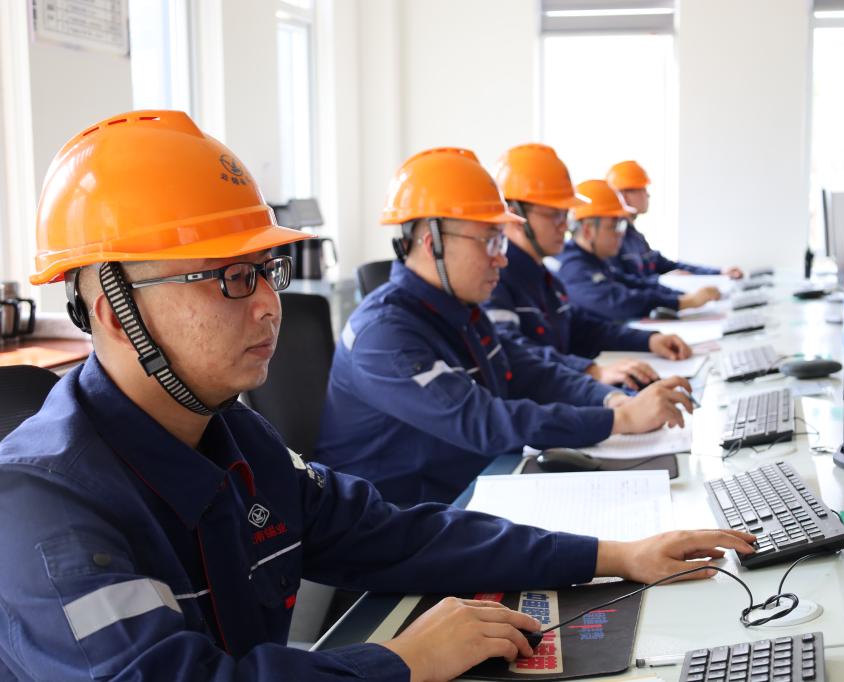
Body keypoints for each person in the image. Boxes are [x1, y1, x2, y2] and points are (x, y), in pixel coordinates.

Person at [0, 111, 755, 682]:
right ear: (112, 307)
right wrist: (400, 662)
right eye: (229, 277)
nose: (267, 306)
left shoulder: (238, 442)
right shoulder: (41, 506)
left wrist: (615, 555)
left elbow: (402, 535)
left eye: (267, 270)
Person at [314, 148, 695, 507]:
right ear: (432, 245)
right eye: (490, 241)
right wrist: (619, 421)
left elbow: (527, 371)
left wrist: (608, 399)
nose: (502, 258)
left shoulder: (458, 309)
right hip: (402, 522)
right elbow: (483, 422)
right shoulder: (384, 335)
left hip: (468, 491)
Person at [485, 143, 694, 391]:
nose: (565, 226)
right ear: (515, 215)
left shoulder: (542, 274)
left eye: (566, 214)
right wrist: (592, 372)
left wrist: (649, 340)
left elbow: (580, 327)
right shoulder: (495, 279)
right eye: (555, 214)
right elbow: (514, 352)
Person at [556, 179, 721, 321]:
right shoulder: (572, 266)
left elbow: (635, 284)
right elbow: (618, 303)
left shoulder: (594, 260)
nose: (621, 233)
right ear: (587, 231)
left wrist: (682, 295)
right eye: (614, 226)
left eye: (621, 225)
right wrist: (683, 302)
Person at [606, 160, 743, 281]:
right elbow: (622, 284)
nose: (647, 194)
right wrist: (662, 280)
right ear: (623, 196)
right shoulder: (613, 240)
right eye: (642, 189)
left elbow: (668, 266)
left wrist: (719, 272)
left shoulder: (636, 239)